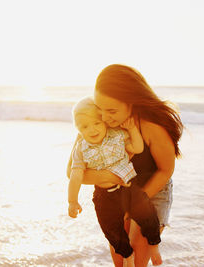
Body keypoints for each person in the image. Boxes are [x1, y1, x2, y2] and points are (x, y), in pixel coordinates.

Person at [67, 64, 183, 266]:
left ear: (132, 102)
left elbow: (166, 170)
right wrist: (106, 177)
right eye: (100, 109)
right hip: (115, 194)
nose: (104, 117)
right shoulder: (95, 125)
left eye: (111, 110)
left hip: (152, 190)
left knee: (138, 257)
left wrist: (136, 204)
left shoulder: (152, 126)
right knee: (121, 258)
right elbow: (72, 171)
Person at [67, 97, 162, 266]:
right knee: (111, 230)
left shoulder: (117, 136)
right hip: (104, 196)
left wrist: (132, 129)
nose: (92, 130)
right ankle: (127, 255)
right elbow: (75, 175)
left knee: (147, 215)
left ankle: (154, 244)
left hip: (128, 188)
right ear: (78, 129)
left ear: (104, 122)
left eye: (96, 123)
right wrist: (72, 201)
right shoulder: (81, 149)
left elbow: (138, 148)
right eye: (84, 126)